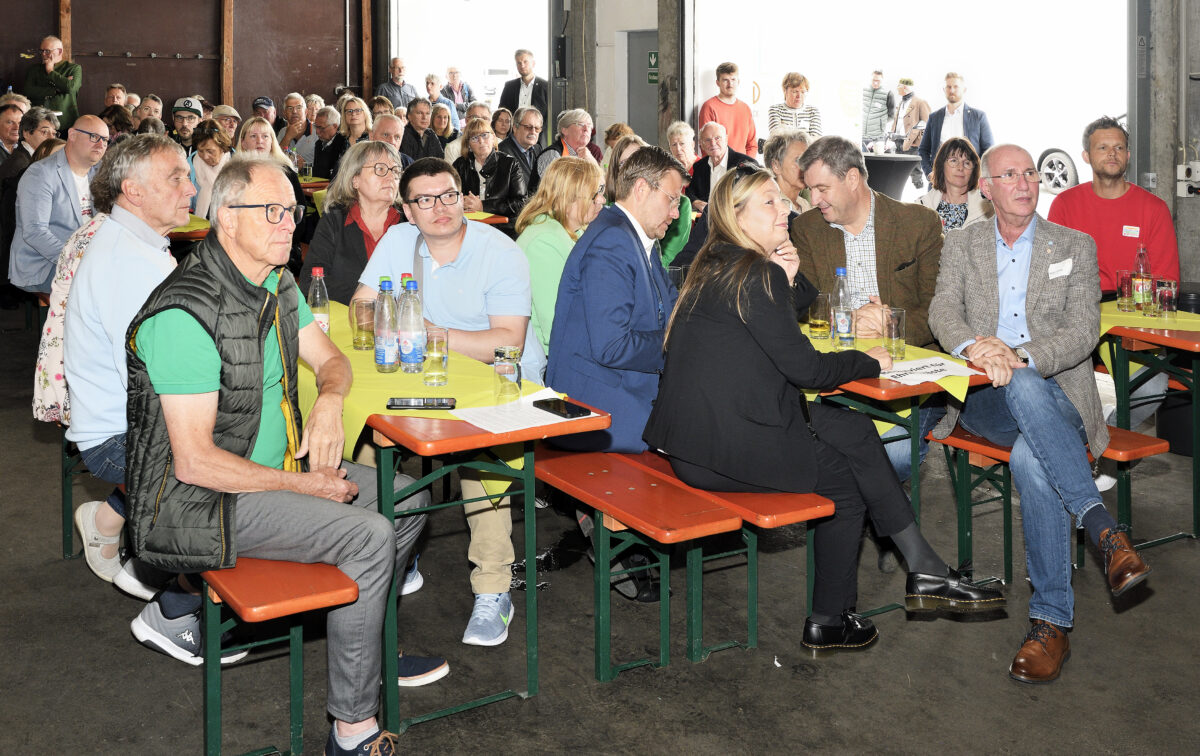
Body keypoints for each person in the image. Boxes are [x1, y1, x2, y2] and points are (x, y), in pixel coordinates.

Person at [124, 157, 445, 753]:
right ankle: (352, 729)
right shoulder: (183, 313)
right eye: (270, 212)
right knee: (369, 536)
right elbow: (193, 463)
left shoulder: (276, 281)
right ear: (225, 219)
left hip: (272, 473)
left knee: (407, 497)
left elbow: (333, 361)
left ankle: (362, 640)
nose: (288, 225)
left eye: (292, 211)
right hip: (200, 501)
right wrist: (304, 486)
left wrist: (328, 401)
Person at [644, 165, 1004, 652]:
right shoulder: (753, 273)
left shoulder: (718, 264)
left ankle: (924, 568)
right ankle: (829, 619)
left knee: (854, 431)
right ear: (736, 216)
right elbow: (808, 371)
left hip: (694, 440)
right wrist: (868, 360)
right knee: (845, 484)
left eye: (781, 199)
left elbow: (768, 333)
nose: (787, 209)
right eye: (770, 202)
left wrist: (789, 278)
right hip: (723, 450)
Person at [928, 143, 1151, 685]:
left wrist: (1022, 356)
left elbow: (1080, 332)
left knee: (1033, 458)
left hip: (1059, 393)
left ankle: (1049, 624)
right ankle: (1102, 528)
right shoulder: (961, 244)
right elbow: (941, 311)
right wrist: (973, 347)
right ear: (987, 188)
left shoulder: (1074, 244)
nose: (1025, 182)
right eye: (1010, 174)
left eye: (1030, 172)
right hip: (985, 396)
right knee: (1024, 412)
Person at [351, 157, 545, 647]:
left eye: (450, 196)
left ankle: (494, 587)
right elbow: (360, 305)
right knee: (372, 447)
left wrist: (429, 333)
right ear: (407, 211)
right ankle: (396, 549)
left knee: (481, 464)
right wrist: (400, 324)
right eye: (425, 200)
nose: (440, 208)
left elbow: (507, 344)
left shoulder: (498, 251)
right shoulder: (398, 241)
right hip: (431, 377)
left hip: (497, 382)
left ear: (464, 198)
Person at [63, 135, 194, 594]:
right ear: (133, 191)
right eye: (175, 178)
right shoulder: (130, 263)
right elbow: (156, 387)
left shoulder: (132, 244)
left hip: (118, 422)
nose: (191, 188)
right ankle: (167, 590)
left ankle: (112, 522)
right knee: (251, 456)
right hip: (117, 436)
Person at [790, 135, 945, 483]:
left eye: (821, 188)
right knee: (817, 449)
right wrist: (848, 320)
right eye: (809, 189)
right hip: (838, 371)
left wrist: (891, 322)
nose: (812, 200)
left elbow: (940, 310)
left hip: (907, 372)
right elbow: (804, 305)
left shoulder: (918, 224)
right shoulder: (807, 228)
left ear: (852, 179)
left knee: (893, 456)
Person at [1048, 115, 1177, 446]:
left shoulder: (1153, 208)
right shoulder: (1064, 205)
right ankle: (1078, 445)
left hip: (1128, 315)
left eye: (1119, 147)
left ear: (1128, 156)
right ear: (1086, 156)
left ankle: (1102, 440)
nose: (1112, 153)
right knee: (1050, 388)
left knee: (1149, 389)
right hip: (1074, 314)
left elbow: (1166, 281)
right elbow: (1051, 273)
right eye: (1102, 147)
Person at [546, 146, 684, 453]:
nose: (675, 213)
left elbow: (673, 307)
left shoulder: (634, 236)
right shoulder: (613, 241)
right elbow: (613, 346)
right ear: (641, 189)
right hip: (600, 413)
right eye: (672, 199)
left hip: (621, 398)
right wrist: (682, 345)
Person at [514, 156, 604, 356]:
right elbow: (557, 326)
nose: (602, 200)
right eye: (594, 194)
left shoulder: (574, 230)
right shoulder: (543, 242)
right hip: (550, 360)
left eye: (601, 191)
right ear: (569, 198)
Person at [9, 115, 108, 293]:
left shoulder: (100, 172)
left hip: (91, 258)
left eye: (105, 140)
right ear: (72, 135)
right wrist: (78, 260)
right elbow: (35, 232)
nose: (100, 145)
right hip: (44, 264)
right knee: (104, 283)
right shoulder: (41, 174)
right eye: (94, 137)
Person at [300, 140, 404, 304]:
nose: (391, 177)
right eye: (381, 169)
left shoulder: (408, 223)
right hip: (350, 322)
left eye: (396, 171)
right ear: (355, 179)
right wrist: (373, 300)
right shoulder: (335, 221)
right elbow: (311, 280)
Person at [0, 106, 58, 305]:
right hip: (19, 252)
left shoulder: (32, 161)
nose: (51, 136)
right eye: (44, 131)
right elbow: (12, 223)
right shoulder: (22, 166)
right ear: (27, 133)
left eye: (54, 132)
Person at [607, 134, 693, 267]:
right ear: (616, 171)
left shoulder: (679, 207)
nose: (632, 168)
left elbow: (670, 260)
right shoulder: (605, 208)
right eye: (624, 163)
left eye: (637, 160)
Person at [237, 116, 307, 271]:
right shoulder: (234, 175)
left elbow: (299, 213)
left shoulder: (286, 172)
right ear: (243, 142)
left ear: (271, 142)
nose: (259, 141)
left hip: (282, 246)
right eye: (253, 136)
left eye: (265, 136)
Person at [451, 117, 527, 234]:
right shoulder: (460, 165)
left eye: (485, 135)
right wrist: (461, 201)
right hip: (469, 228)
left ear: (493, 138)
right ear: (468, 145)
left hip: (503, 230)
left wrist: (483, 206)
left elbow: (521, 203)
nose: (481, 141)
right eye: (475, 138)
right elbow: (450, 197)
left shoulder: (510, 164)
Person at [919, 72, 994, 182]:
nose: (952, 90)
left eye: (956, 86)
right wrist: (929, 172)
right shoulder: (934, 118)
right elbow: (923, 150)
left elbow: (989, 150)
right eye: (948, 87)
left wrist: (979, 175)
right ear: (944, 90)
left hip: (969, 181)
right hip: (940, 181)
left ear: (964, 89)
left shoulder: (978, 117)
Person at [917, 137, 993, 231]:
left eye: (967, 163)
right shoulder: (921, 206)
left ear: (973, 169)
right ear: (941, 165)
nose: (960, 167)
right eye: (953, 161)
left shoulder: (989, 209)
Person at [687, 121, 754, 212]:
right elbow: (690, 192)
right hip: (707, 222)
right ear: (701, 144)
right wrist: (696, 202)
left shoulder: (745, 164)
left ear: (726, 139)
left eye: (717, 138)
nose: (713, 143)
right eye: (707, 140)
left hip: (736, 221)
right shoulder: (699, 166)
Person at [698, 62, 757, 157]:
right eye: (725, 80)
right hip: (719, 168)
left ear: (738, 82)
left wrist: (747, 166)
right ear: (718, 83)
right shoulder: (709, 107)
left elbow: (752, 145)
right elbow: (705, 145)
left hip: (742, 167)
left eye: (733, 79)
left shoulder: (745, 108)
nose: (730, 84)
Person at [24, 36, 82, 128]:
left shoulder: (73, 68)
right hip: (38, 122)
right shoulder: (34, 70)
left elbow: (71, 88)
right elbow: (28, 91)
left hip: (65, 122)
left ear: (59, 51)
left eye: (47, 51)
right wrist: (56, 90)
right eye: (41, 51)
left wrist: (51, 71)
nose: (43, 54)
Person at [498, 49, 549, 144]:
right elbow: (502, 111)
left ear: (533, 63)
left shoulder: (546, 87)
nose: (522, 65)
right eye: (518, 63)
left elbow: (549, 117)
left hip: (537, 139)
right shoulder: (509, 86)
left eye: (525, 61)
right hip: (513, 138)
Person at [890, 77, 930, 189]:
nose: (897, 88)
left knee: (915, 173)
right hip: (898, 141)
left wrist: (914, 137)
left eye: (899, 85)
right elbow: (897, 120)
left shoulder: (920, 102)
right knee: (897, 172)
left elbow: (927, 122)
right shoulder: (901, 102)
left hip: (912, 143)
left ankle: (918, 193)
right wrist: (891, 133)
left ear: (905, 87)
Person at [189, 121, 233, 219]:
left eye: (210, 151)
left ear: (222, 147)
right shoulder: (189, 165)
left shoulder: (236, 165)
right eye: (200, 151)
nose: (205, 156)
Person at [763, 128, 813, 213]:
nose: (806, 167)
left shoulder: (805, 205)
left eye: (808, 160)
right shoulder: (768, 205)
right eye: (798, 160)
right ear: (776, 166)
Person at [536, 109, 597, 177]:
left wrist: (592, 162)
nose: (586, 129)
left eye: (589, 126)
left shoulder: (585, 155)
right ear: (564, 130)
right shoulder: (552, 155)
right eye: (580, 124)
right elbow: (557, 187)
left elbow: (601, 186)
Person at [498, 106, 543, 192]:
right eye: (528, 127)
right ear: (515, 127)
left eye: (537, 128)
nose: (533, 132)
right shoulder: (502, 152)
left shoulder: (537, 149)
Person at [768, 72, 822, 136]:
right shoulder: (775, 110)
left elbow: (816, 140)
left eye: (803, 92)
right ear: (785, 90)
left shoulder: (813, 111)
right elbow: (777, 138)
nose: (799, 96)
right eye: (795, 91)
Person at [277, 92, 317, 167]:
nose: (294, 112)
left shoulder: (318, 131)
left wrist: (305, 165)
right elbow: (275, 159)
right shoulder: (283, 132)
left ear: (306, 112)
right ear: (284, 114)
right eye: (290, 108)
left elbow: (326, 167)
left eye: (298, 107)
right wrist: (287, 137)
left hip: (312, 178)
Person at [861, 69, 894, 151]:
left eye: (878, 81)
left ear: (882, 80)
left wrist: (880, 124)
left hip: (877, 137)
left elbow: (891, 115)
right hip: (861, 135)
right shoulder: (863, 90)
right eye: (873, 80)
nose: (875, 83)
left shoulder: (888, 93)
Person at [312, 106, 348, 180]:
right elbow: (318, 173)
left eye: (321, 128)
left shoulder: (343, 143)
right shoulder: (319, 144)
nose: (317, 132)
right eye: (316, 127)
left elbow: (333, 174)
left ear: (335, 126)